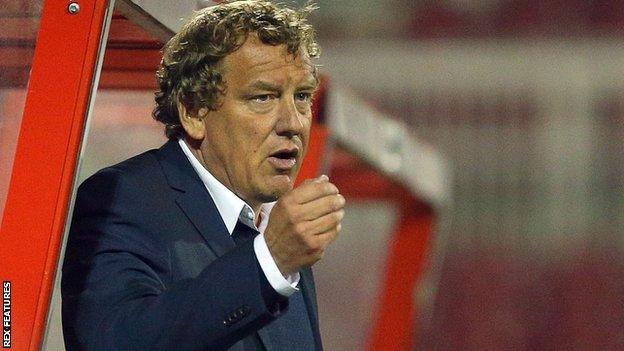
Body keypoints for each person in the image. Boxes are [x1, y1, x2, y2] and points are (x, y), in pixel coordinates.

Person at [61, 1, 345, 350]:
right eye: (263, 97)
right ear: (194, 111)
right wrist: (270, 261)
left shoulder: (280, 234)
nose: (293, 123)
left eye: (302, 96)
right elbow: (115, 342)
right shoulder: (125, 199)